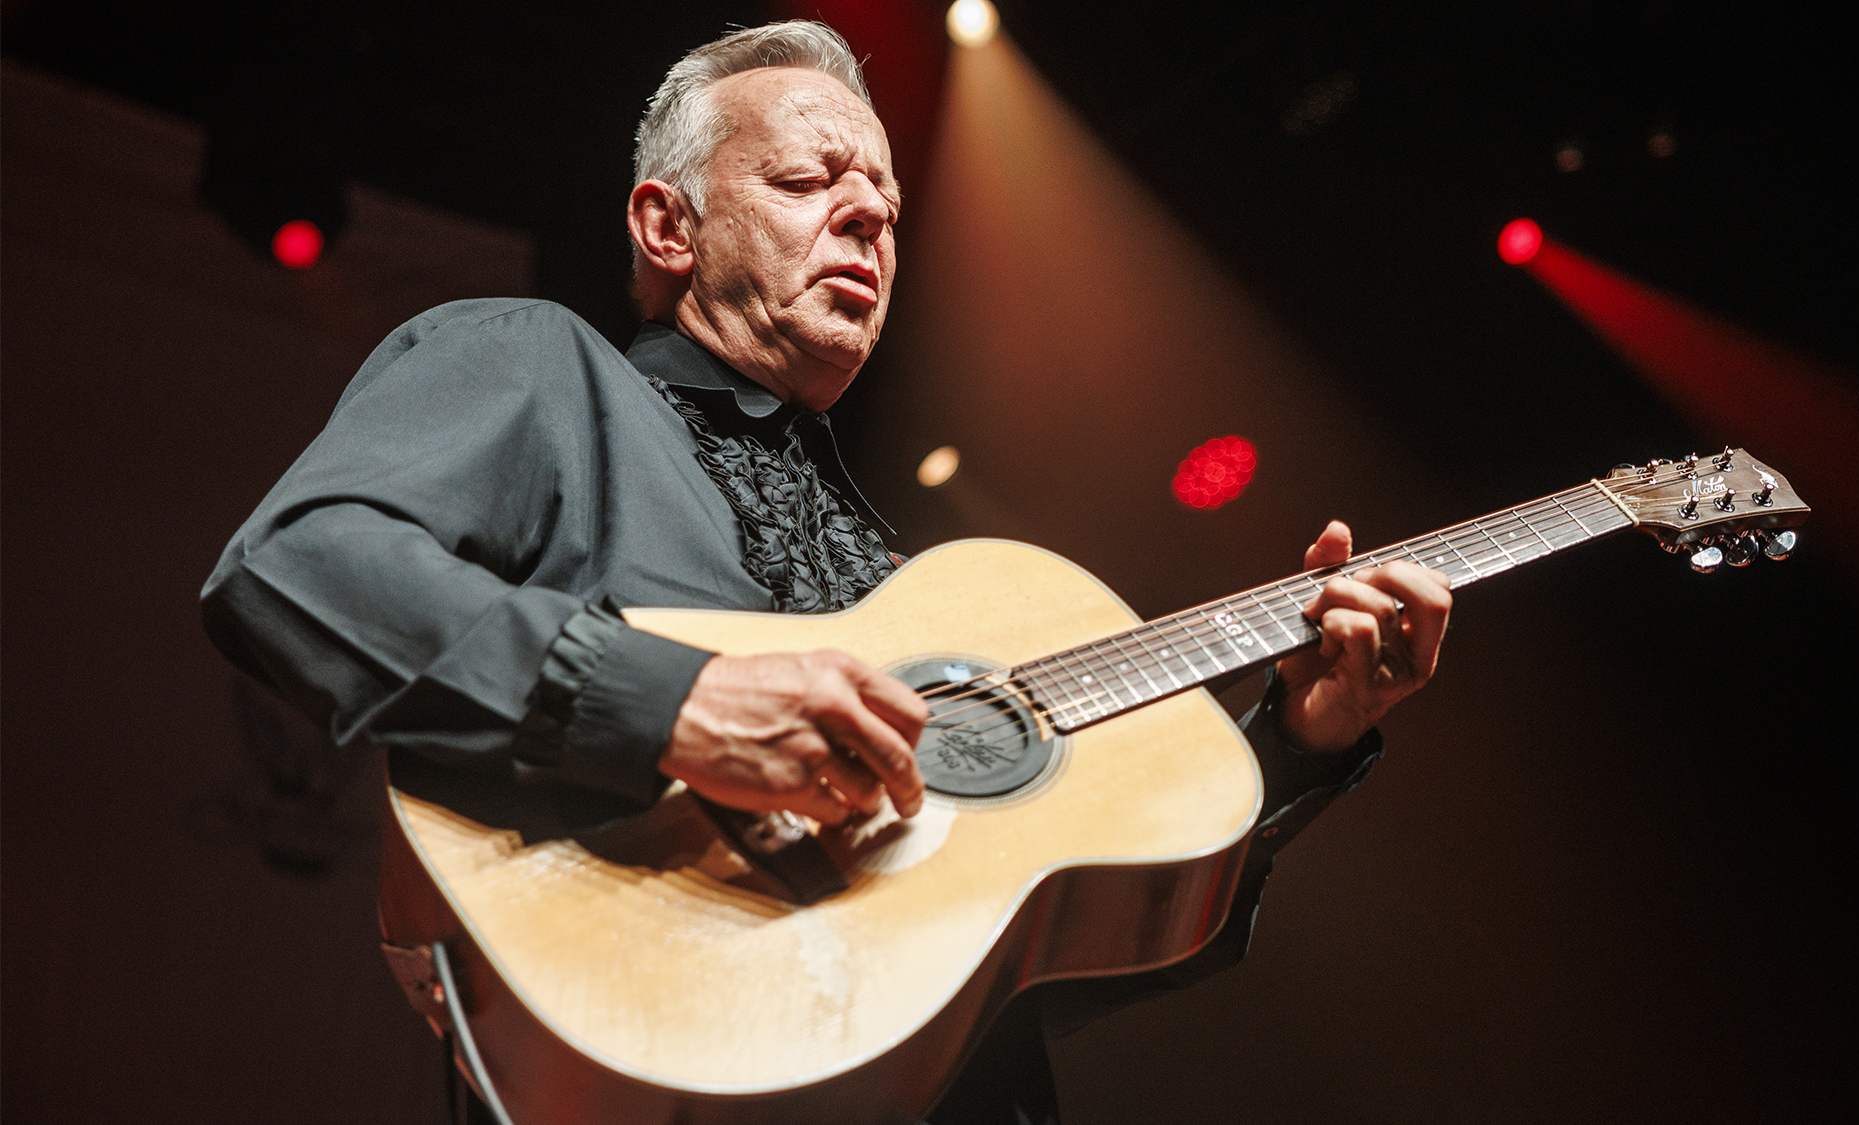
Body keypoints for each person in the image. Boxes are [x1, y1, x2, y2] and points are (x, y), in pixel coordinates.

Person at [200, 21, 1452, 1124]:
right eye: (807, 178)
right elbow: (297, 566)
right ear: (666, 225)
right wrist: (673, 704)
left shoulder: (913, 586)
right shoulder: (540, 365)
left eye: (888, 206)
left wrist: (1298, 740)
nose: (867, 216)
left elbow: (1026, 966)